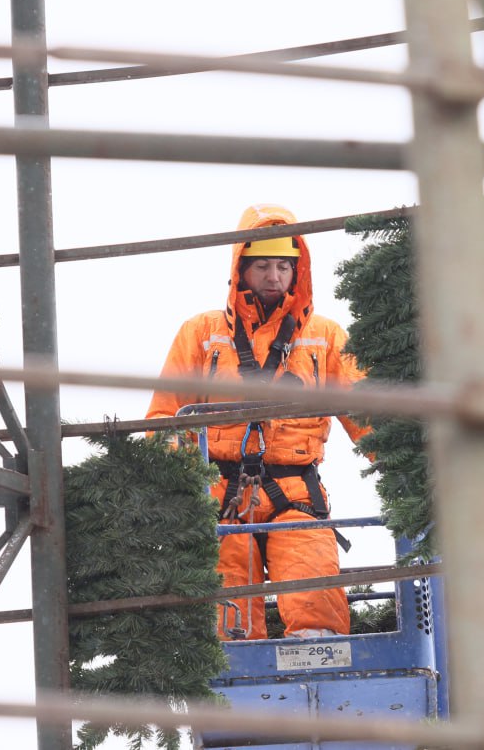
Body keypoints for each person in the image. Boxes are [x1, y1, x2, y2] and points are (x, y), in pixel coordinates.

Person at [146, 203, 370, 641]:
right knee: (225, 614)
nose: (274, 277)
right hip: (221, 499)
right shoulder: (202, 333)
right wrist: (178, 481)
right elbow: (163, 419)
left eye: (284, 267)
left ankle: (321, 669)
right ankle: (233, 683)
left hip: (296, 492)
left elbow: (369, 417)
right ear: (240, 269)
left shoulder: (324, 337)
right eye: (263, 266)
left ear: (297, 269)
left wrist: (413, 468)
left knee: (314, 589)